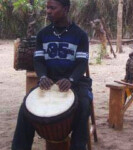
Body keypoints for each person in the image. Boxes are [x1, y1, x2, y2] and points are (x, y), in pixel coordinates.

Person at [12, 0, 93, 150]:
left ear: (66, 8)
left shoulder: (80, 35)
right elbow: (39, 60)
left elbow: (82, 63)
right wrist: (42, 76)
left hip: (75, 82)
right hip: (48, 81)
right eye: (47, 8)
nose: (48, 11)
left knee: (83, 105)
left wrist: (71, 79)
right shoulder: (43, 34)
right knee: (26, 105)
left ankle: (78, 147)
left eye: (52, 8)